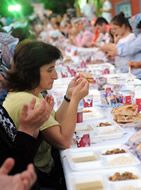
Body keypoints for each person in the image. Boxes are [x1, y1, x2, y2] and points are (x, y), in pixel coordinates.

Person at [3, 40, 89, 188]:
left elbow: (56, 122)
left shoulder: (30, 93)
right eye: (50, 70)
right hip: (41, 177)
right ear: (30, 72)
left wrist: (68, 97)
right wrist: (75, 99)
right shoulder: (27, 100)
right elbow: (63, 141)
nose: (55, 76)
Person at [101, 13, 141, 81]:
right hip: (135, 74)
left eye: (115, 28)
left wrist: (106, 46)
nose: (113, 31)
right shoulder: (139, 37)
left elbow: (126, 50)